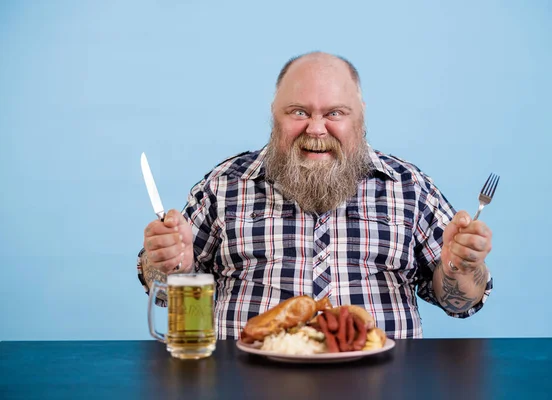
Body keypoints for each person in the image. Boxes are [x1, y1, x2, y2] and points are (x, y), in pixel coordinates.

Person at [137, 52, 494, 339]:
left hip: (384, 382)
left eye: (335, 113)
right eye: (299, 112)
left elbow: (459, 303)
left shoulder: (408, 186)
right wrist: (169, 266)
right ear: (274, 116)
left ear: (360, 116)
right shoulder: (225, 184)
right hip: (242, 381)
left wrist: (460, 266)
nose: (316, 128)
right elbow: (170, 293)